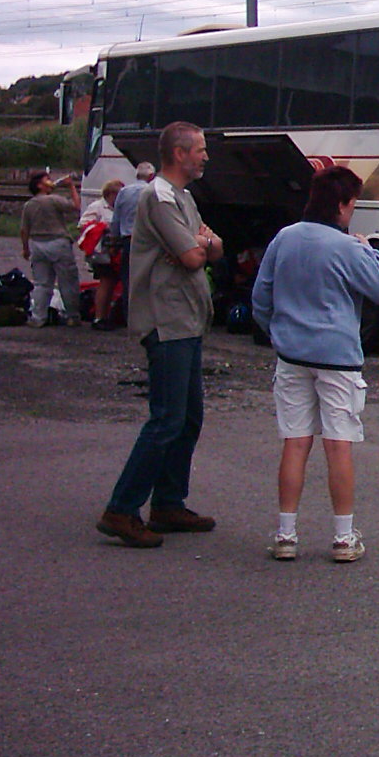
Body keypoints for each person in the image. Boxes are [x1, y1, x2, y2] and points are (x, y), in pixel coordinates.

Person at [251, 165, 379, 563]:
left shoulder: (285, 237)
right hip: (337, 357)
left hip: (292, 354)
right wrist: (369, 250)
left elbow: (261, 297)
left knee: (295, 442)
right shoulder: (347, 247)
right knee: (338, 444)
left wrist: (277, 332)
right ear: (343, 205)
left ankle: (286, 534)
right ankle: (344, 538)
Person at [96, 124, 221, 549]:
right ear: (180, 153)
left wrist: (202, 243)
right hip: (166, 321)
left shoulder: (183, 197)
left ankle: (168, 503)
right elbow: (193, 257)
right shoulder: (160, 197)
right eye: (200, 149)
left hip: (186, 320)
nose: (206, 157)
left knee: (188, 418)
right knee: (167, 418)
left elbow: (212, 247)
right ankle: (121, 508)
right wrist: (199, 244)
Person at [20, 170, 82, 326]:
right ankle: (72, 315)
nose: (51, 181)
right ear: (40, 185)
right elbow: (76, 206)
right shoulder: (54, 200)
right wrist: (71, 187)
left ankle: (38, 317)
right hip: (58, 242)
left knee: (41, 283)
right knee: (67, 281)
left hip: (37, 244)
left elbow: (24, 229)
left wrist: (25, 248)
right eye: (47, 179)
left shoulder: (29, 205)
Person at [103, 162, 156, 327]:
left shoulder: (124, 192)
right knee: (150, 279)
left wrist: (113, 242)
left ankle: (130, 317)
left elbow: (116, 220)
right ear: (151, 176)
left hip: (128, 240)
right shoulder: (153, 192)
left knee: (128, 280)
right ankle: (149, 318)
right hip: (148, 241)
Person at [79, 179, 125, 329]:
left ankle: (110, 315)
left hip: (117, 252)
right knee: (106, 283)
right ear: (110, 194)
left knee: (115, 284)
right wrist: (103, 227)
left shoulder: (120, 208)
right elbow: (83, 225)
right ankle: (99, 317)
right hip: (103, 253)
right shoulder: (97, 206)